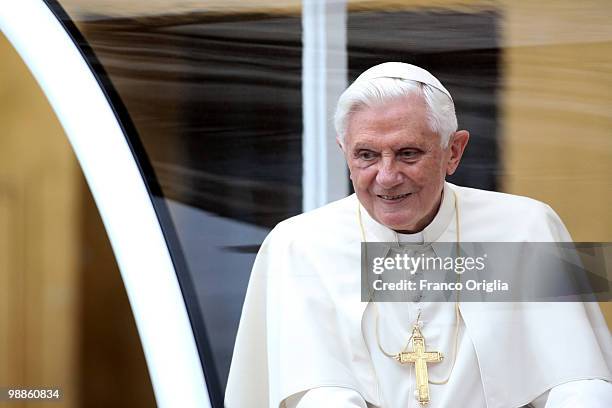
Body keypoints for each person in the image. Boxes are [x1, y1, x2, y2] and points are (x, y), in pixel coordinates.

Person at [225, 62, 612, 407]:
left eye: (408, 153)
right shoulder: (299, 245)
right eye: (366, 156)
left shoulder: (527, 227)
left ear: (453, 151)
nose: (388, 177)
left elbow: (580, 381)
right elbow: (315, 394)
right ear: (344, 151)